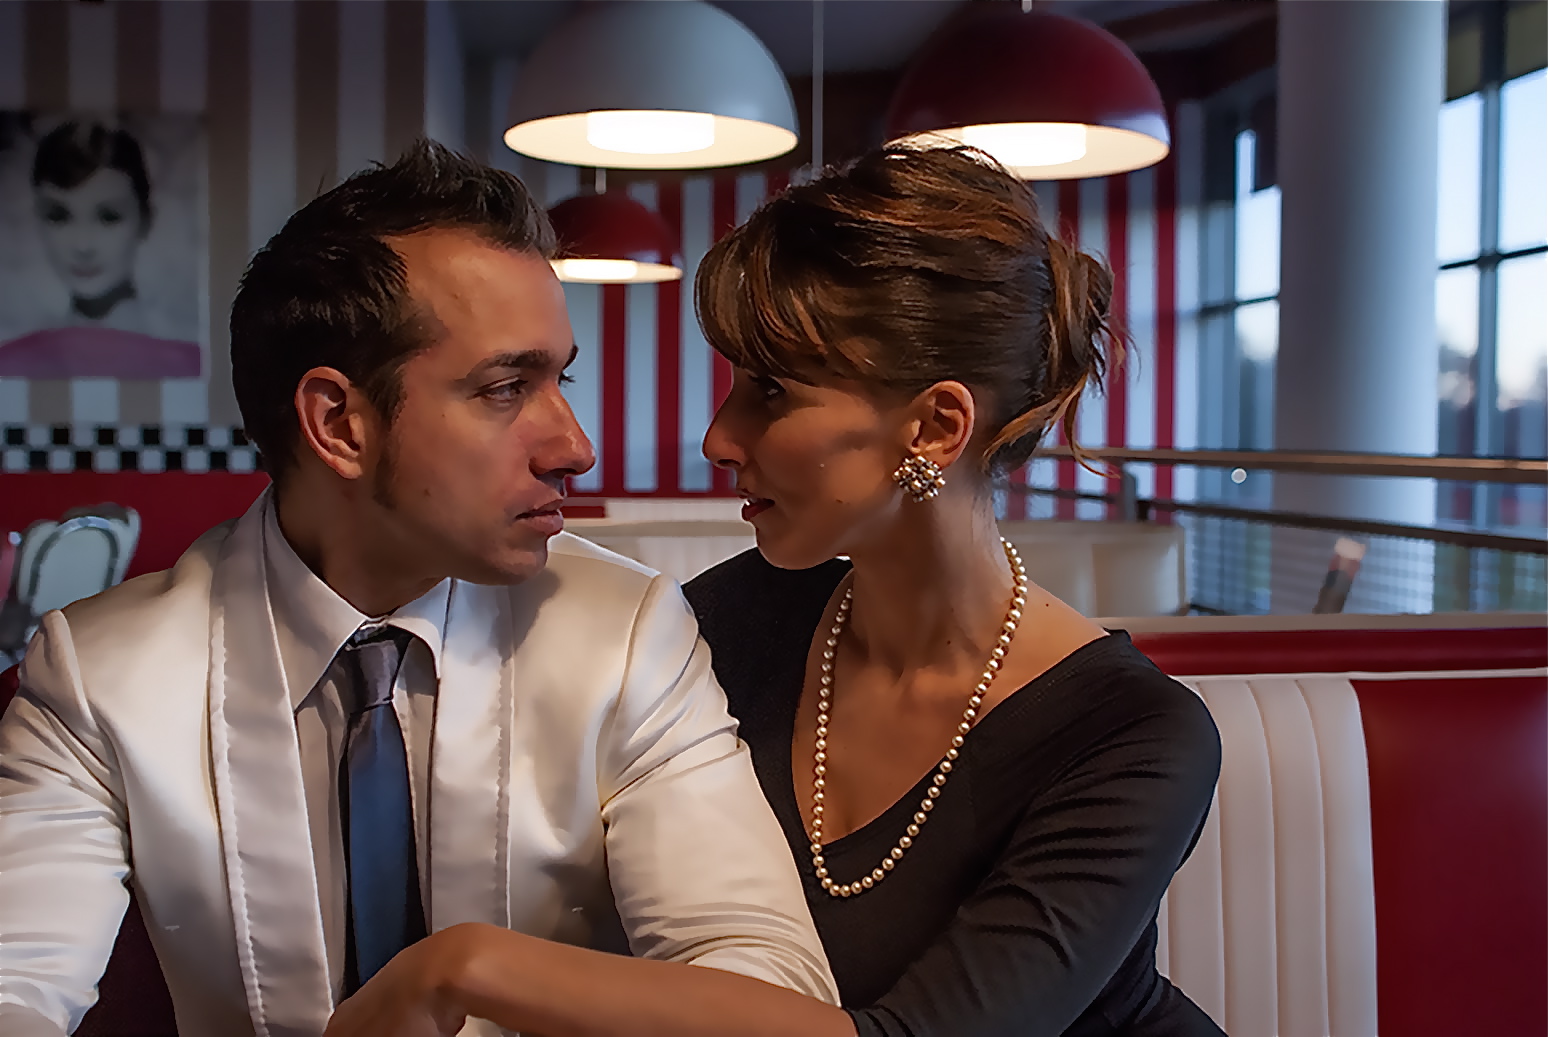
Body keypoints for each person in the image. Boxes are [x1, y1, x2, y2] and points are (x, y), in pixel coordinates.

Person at [322, 145, 1224, 1037]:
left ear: (935, 425)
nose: (719, 438)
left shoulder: (1135, 735)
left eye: (770, 392)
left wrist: (465, 967)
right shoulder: (728, 620)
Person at [0, 142, 836, 1037]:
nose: (575, 447)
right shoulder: (98, 675)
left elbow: (771, 995)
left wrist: (470, 972)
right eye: (506, 387)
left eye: (561, 378)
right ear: (339, 424)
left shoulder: (628, 632)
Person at [0, 120, 201, 378]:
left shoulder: (193, 363)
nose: (83, 245)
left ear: (146, 219)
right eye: (58, 216)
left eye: (109, 217)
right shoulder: (12, 363)